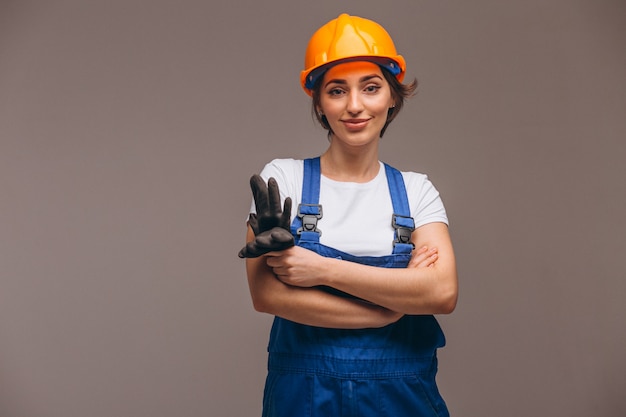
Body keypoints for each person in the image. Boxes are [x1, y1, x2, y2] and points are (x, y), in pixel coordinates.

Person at [239, 13, 458, 417]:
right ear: (319, 103)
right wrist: (387, 311)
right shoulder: (282, 180)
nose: (354, 106)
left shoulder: (416, 191)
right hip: (303, 397)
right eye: (337, 91)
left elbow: (442, 294)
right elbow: (265, 295)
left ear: (393, 97)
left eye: (371, 88)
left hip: (404, 398)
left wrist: (321, 271)